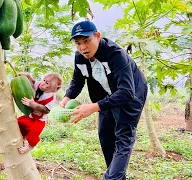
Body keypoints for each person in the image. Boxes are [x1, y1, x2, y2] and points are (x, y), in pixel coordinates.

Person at [59, 20, 147, 179]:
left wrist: (93, 107)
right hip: (106, 97)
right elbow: (77, 81)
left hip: (131, 96)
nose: (82, 47)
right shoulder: (80, 57)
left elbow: (127, 91)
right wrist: (67, 97)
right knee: (106, 136)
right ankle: (116, 176)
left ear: (97, 36)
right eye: (77, 43)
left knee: (123, 139)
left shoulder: (115, 54)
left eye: (86, 41)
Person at [17, 72, 63, 154]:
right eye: (44, 80)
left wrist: (33, 104)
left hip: (39, 120)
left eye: (47, 83)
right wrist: (27, 76)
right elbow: (33, 82)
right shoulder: (40, 85)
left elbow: (46, 110)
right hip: (30, 116)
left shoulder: (51, 97)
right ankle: (22, 138)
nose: (43, 84)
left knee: (33, 134)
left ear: (56, 88)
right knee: (19, 123)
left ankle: (30, 147)